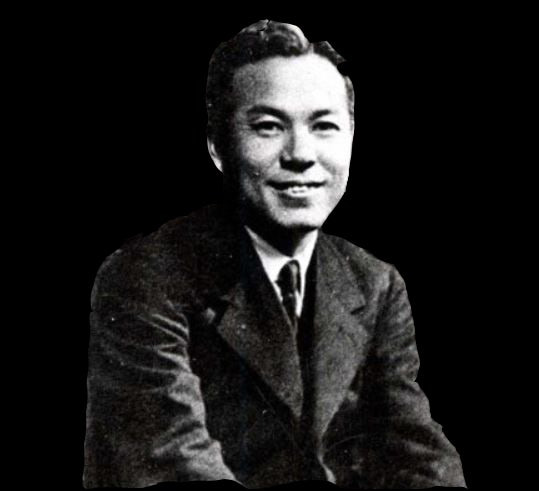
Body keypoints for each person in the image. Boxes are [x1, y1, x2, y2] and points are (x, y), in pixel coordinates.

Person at [84, 20, 466, 488]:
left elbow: (419, 455)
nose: (301, 154)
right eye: (268, 127)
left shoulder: (375, 284)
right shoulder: (145, 277)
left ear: (351, 138)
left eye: (324, 126)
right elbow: (173, 462)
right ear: (217, 146)